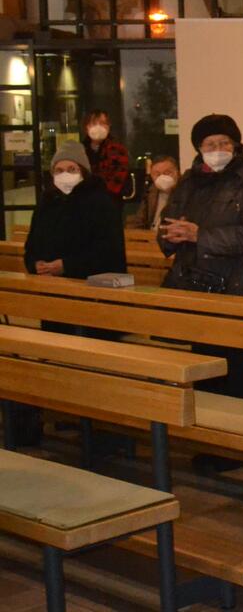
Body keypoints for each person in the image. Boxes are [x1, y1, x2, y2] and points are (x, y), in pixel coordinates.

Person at [14, 141, 127, 446]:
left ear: (83, 171)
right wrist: (35, 264)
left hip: (94, 300)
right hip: (55, 299)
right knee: (57, 353)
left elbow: (108, 251)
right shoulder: (48, 202)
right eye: (59, 170)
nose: (65, 174)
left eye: (71, 169)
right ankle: (64, 410)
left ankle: (100, 423)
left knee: (92, 359)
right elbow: (32, 245)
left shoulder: (100, 202)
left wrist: (66, 265)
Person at [159, 114, 243, 405]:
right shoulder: (189, 180)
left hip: (236, 284)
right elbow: (167, 222)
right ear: (200, 148)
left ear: (236, 145)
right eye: (210, 144)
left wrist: (200, 235)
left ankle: (237, 423)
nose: (218, 149)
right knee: (202, 363)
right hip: (193, 283)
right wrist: (169, 235)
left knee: (232, 363)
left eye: (224, 143)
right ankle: (205, 424)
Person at [81, 109, 131, 203]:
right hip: (84, 199)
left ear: (108, 126)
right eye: (94, 123)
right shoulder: (80, 150)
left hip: (110, 200)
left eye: (102, 123)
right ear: (86, 127)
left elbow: (119, 177)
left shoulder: (117, 149)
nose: (98, 127)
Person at [128, 155, 183, 230]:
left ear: (177, 172)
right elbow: (139, 220)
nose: (162, 177)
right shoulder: (151, 192)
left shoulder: (186, 193)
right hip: (151, 235)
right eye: (157, 174)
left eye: (167, 173)